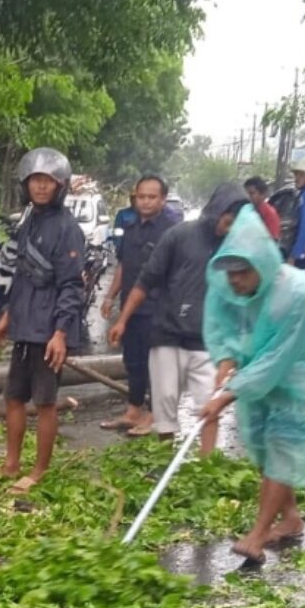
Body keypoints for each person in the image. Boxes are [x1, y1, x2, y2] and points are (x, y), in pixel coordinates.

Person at [199, 206, 305, 563]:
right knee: (265, 449)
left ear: (262, 263)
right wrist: (227, 361)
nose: (234, 281)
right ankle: (291, 518)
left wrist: (228, 395)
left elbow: (278, 357)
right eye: (230, 274)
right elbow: (224, 326)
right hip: (260, 375)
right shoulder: (234, 290)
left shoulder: (298, 294)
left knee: (283, 446)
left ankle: (258, 535)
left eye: (242, 272)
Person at [108, 182, 248, 451]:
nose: (227, 228)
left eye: (235, 224)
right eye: (226, 221)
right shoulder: (179, 236)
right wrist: (123, 319)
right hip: (167, 333)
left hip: (208, 341)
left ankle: (207, 469)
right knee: (164, 405)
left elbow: (242, 298)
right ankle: (163, 458)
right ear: (215, 212)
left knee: (209, 404)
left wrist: (233, 348)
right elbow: (145, 281)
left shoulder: (237, 246)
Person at [0, 147, 84, 494]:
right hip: (24, 326)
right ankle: (12, 463)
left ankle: (40, 470)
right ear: (26, 184)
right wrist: (6, 316)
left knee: (45, 402)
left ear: (60, 186)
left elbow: (72, 285)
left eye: (47, 181)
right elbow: (22, 275)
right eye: (35, 181)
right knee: (14, 397)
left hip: (49, 331)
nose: (41, 187)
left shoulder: (67, 229)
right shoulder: (29, 220)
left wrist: (60, 333)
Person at [100, 174, 180, 435]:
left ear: (163, 199)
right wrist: (111, 297)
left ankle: (154, 415)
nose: (145, 202)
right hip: (130, 308)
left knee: (153, 363)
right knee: (132, 360)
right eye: (141, 196)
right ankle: (133, 410)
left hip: (157, 308)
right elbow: (124, 265)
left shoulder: (170, 230)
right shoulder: (132, 227)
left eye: (151, 197)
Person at [244, 175, 281, 242]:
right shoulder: (247, 210)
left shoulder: (270, 214)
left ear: (262, 194)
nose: (248, 197)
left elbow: (272, 242)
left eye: (251, 193)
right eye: (246, 194)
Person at [112, 193, 138, 261]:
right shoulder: (123, 213)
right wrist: (118, 246)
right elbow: (117, 232)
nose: (134, 200)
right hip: (126, 249)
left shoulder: (147, 214)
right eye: (132, 198)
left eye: (137, 197)